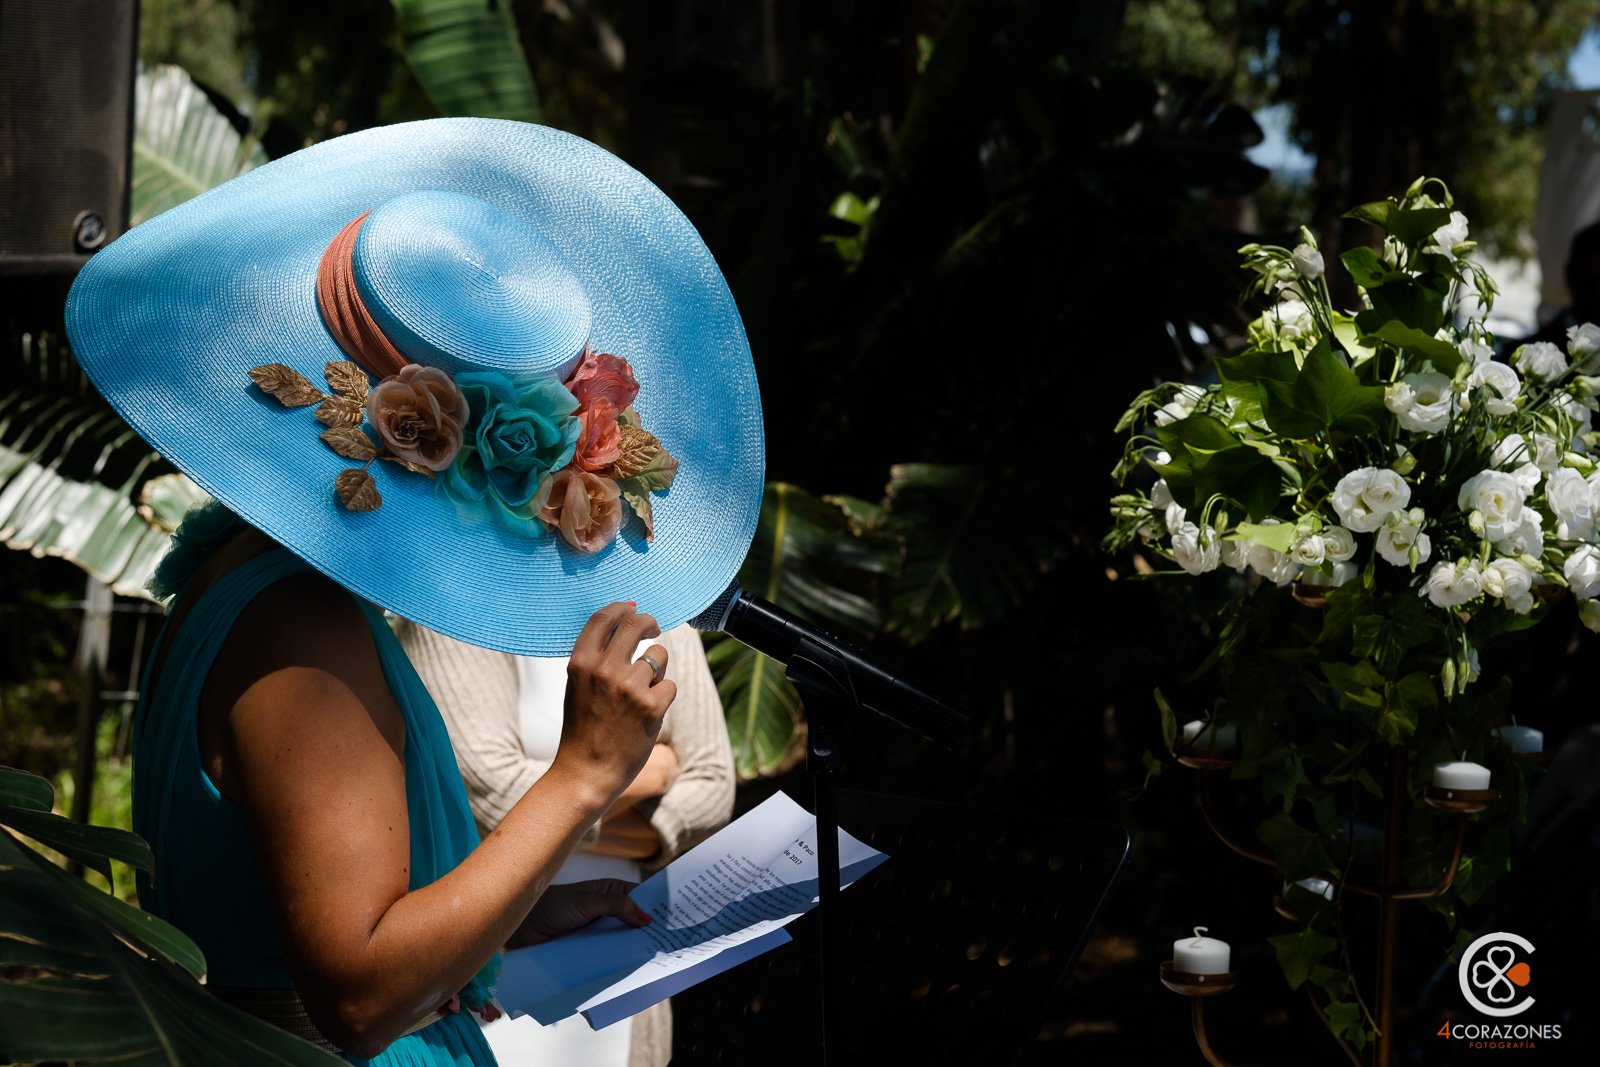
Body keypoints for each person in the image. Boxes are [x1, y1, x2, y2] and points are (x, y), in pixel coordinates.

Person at [63, 117, 765, 1065]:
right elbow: (357, 992)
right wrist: (582, 776)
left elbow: (317, 908)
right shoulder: (298, 627)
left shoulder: (251, 576)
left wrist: (517, 917)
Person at [399, 620, 734, 1067]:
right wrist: (647, 769)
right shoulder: (459, 616)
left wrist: (561, 791)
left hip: (627, 952)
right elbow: (494, 795)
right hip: (492, 963)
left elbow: (712, 792)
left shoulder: (669, 620)